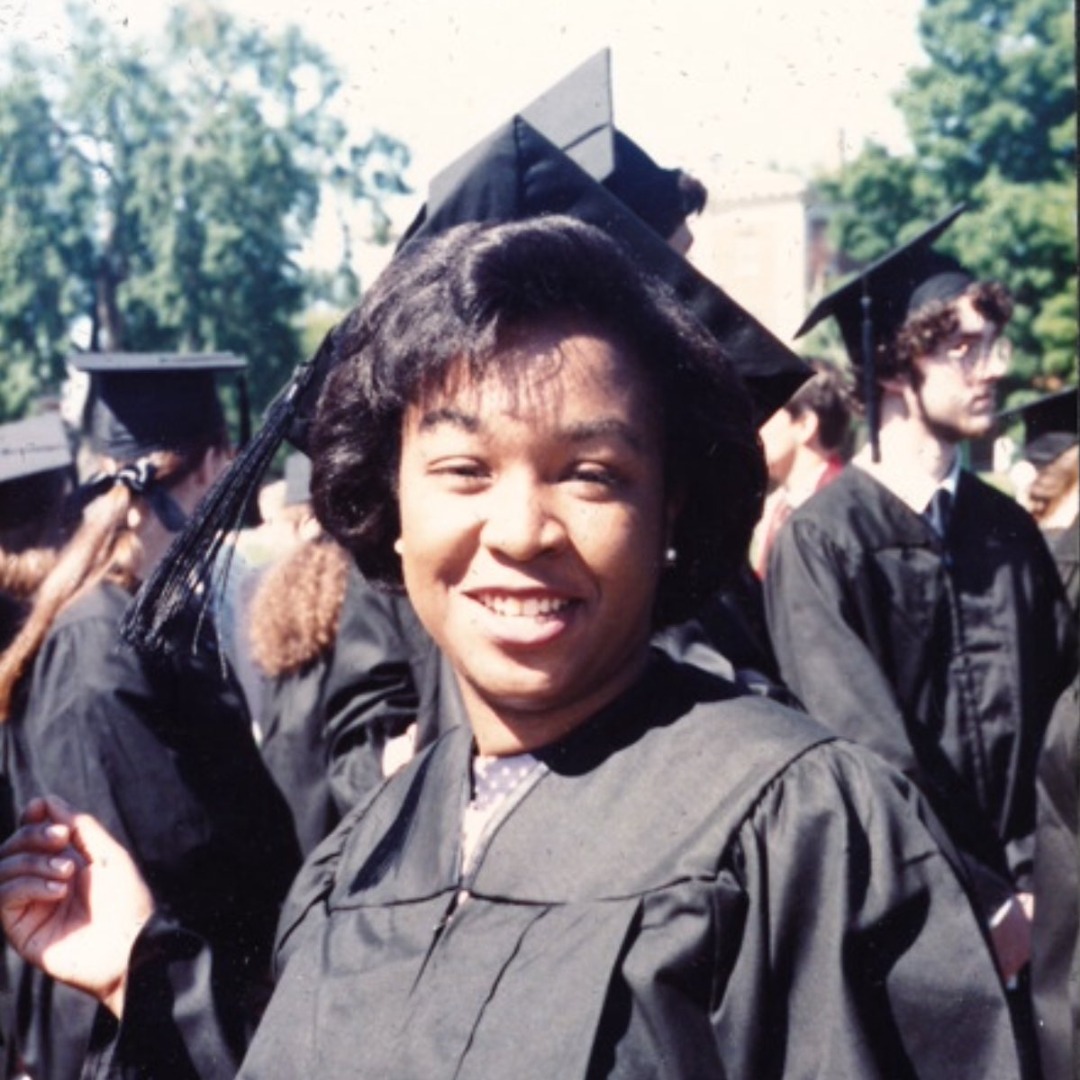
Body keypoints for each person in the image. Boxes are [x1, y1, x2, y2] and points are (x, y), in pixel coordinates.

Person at [0, 217, 1025, 1079]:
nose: (522, 529)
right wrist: (140, 965)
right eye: (462, 467)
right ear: (391, 504)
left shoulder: (802, 829)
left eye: (591, 472)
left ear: (669, 504)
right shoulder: (367, 849)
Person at [765, 207, 1077, 1002]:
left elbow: (1061, 717)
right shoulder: (826, 542)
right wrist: (984, 896)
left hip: (1050, 912)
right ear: (892, 365)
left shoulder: (1005, 528)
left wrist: (1047, 883)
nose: (991, 368)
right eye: (960, 348)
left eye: (990, 344)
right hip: (914, 928)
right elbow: (864, 746)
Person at [0, 353, 300, 1080]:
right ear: (213, 468)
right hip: (140, 1033)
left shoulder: (149, 620)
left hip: (191, 1010)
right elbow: (148, 883)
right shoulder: (95, 649)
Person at [752, 357, 851, 577]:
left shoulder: (839, 510)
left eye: (769, 413)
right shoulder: (777, 505)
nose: (757, 426)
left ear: (805, 425)